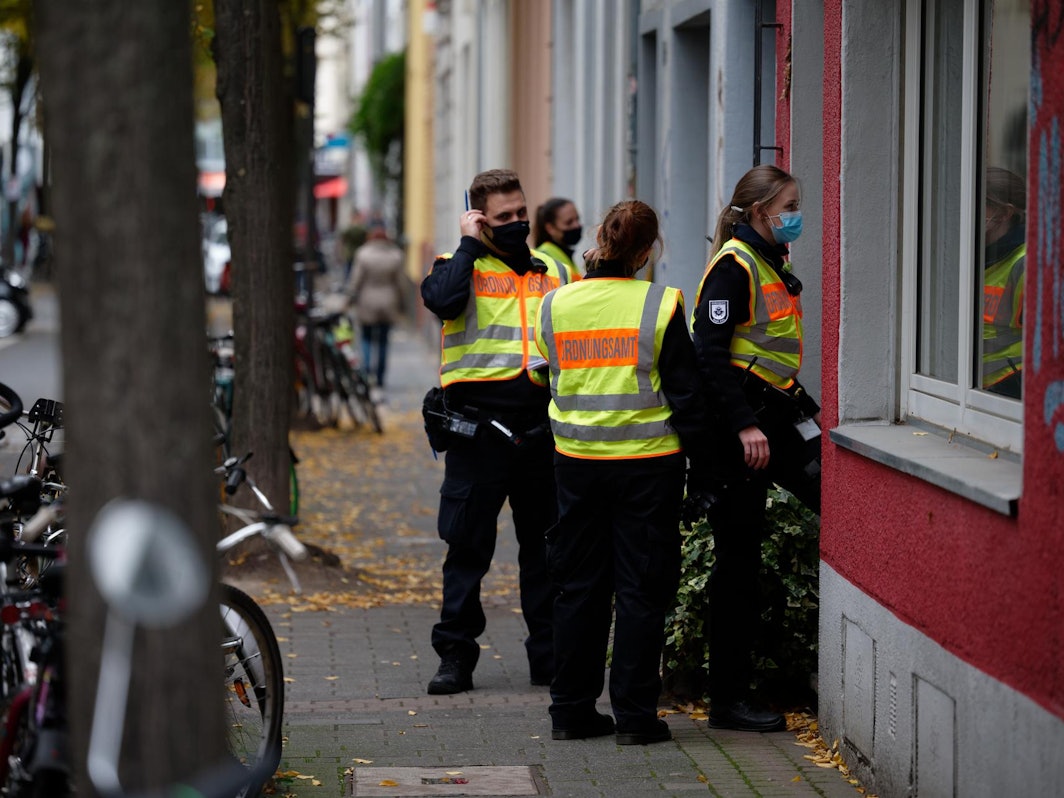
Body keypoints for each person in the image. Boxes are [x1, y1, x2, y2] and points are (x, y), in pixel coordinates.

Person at [534, 200, 712, 745]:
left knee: (578, 589)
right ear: (646, 251)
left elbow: (546, 377)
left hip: (577, 466)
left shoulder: (556, 303)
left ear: (599, 239)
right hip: (648, 469)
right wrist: (706, 469)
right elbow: (686, 396)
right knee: (640, 589)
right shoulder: (661, 304)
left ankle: (570, 712)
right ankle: (635, 718)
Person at [420, 169, 580, 695]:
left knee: (546, 552)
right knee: (467, 551)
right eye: (502, 217)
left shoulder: (548, 273)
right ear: (478, 218)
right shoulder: (455, 266)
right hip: (477, 433)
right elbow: (442, 302)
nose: (516, 223)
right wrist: (467, 244)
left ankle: (548, 659)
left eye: (520, 213)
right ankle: (455, 660)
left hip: (538, 431)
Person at [689, 164, 821, 733]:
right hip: (742, 433)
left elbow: (766, 354)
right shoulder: (734, 267)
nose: (797, 215)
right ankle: (728, 700)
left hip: (771, 418)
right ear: (761, 211)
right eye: (789, 204)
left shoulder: (768, 261)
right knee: (736, 565)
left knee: (826, 502)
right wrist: (745, 426)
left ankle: (745, 687)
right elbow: (709, 358)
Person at [344, 223, 407, 389]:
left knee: (365, 338)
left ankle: (366, 373)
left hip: (367, 301)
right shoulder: (395, 255)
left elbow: (355, 280)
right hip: (388, 302)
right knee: (384, 341)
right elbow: (401, 282)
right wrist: (402, 301)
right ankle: (380, 377)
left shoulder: (363, 254)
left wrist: (350, 298)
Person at [981, 166, 1025, 399]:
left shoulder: (1027, 265)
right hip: (969, 390)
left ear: (1005, 213)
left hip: (1012, 389)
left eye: (980, 205)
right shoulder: (970, 255)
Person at [533, 198, 582, 273]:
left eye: (577, 219)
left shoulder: (564, 253)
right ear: (550, 228)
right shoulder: (544, 257)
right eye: (569, 222)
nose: (577, 225)